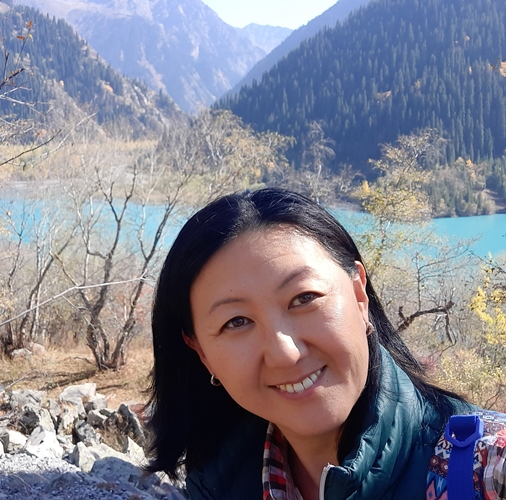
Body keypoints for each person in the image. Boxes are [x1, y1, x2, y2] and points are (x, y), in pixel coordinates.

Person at [144, 188, 494, 500]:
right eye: (236, 322)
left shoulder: (487, 467)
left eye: (304, 298)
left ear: (359, 296)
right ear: (203, 354)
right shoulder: (217, 483)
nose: (286, 353)